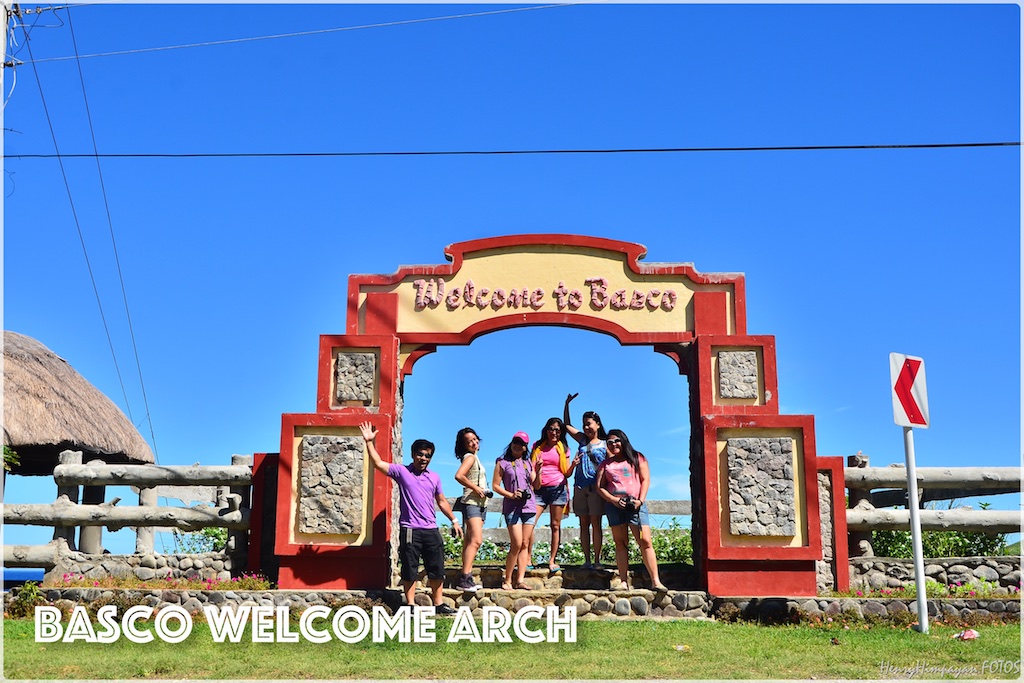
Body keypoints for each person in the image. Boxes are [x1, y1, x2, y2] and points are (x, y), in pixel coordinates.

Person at [358, 421, 462, 615]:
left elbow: (441, 501)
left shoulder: (435, 477)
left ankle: (438, 605)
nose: (423, 458)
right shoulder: (402, 471)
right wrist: (369, 442)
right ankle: (411, 605)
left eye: (427, 456)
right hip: (410, 529)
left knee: (436, 567)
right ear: (413, 454)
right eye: (420, 454)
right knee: (410, 568)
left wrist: (454, 520)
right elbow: (378, 464)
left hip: (431, 529)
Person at [596, 428, 667, 592]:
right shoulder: (605, 465)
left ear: (623, 440)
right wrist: (613, 500)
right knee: (620, 544)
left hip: (636, 506)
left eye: (616, 441)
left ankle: (655, 581)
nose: (614, 444)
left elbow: (645, 479)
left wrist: (640, 501)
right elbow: (599, 487)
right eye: (610, 442)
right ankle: (623, 582)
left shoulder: (637, 457)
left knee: (646, 541)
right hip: (615, 507)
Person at [564, 393, 608, 570]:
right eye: (584, 424)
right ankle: (587, 560)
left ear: (597, 424)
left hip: (596, 488)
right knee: (583, 524)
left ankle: (597, 560)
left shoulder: (606, 444)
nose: (586, 427)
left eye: (589, 423)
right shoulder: (582, 439)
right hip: (580, 486)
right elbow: (567, 425)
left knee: (596, 523)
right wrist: (567, 404)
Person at [491, 431, 536, 590]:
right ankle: (508, 579)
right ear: (511, 443)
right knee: (516, 543)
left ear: (525, 448)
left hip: (529, 506)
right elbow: (495, 485)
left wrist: (539, 469)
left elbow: (536, 485)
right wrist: (511, 494)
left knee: (525, 543)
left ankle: (520, 580)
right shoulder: (502, 462)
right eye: (516, 442)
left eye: (521, 443)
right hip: (511, 507)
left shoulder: (528, 463)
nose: (518, 446)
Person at [529, 417, 575, 573]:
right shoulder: (537, 446)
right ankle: (528, 558)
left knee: (555, 526)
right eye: (551, 429)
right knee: (530, 523)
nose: (554, 432)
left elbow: (566, 473)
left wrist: (574, 465)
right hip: (538, 488)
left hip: (558, 488)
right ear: (546, 430)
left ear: (560, 432)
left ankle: (552, 560)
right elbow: (530, 469)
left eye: (557, 430)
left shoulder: (564, 448)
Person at [453, 427, 488, 592]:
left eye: (475, 439)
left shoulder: (475, 458)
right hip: (472, 503)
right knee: (476, 540)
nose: (474, 443)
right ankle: (465, 578)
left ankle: (466, 577)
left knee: (469, 541)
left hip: (480, 504)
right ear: (464, 445)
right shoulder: (470, 458)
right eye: (469, 441)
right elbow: (459, 475)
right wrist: (475, 488)